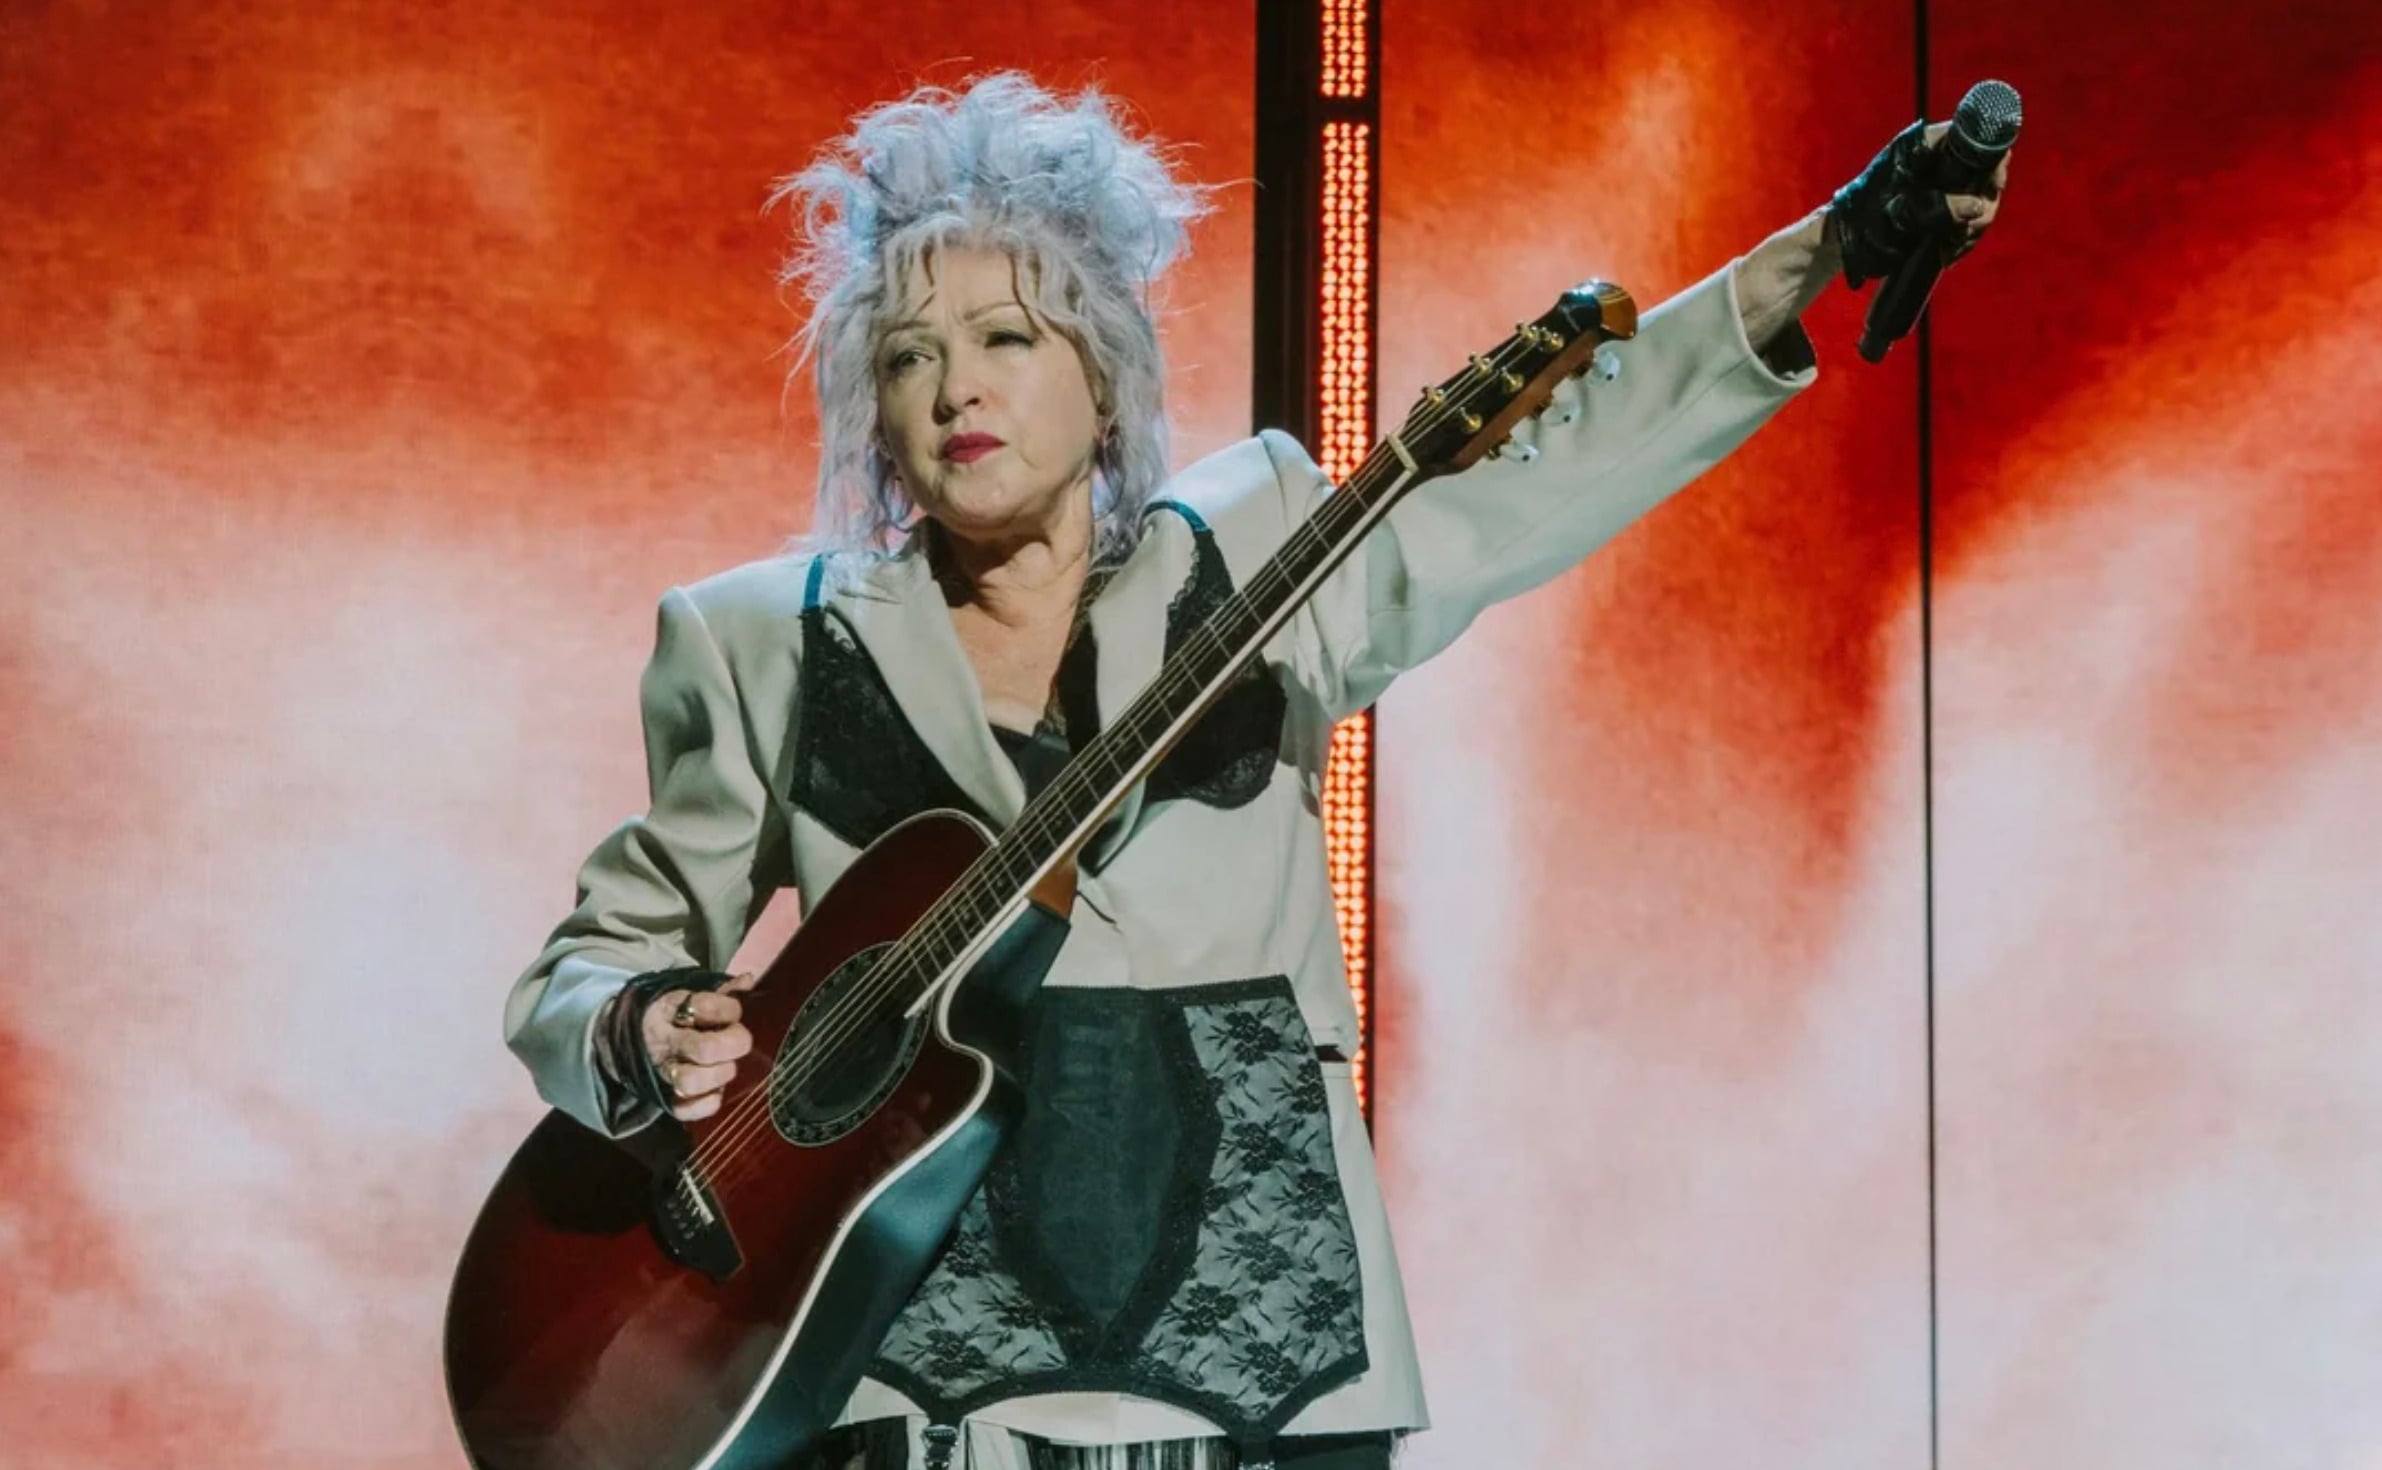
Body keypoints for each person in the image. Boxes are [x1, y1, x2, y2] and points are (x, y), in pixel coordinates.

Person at [503, 72, 2008, 1470]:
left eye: (1008, 337)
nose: (957, 385)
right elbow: (591, 966)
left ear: (1105, 382)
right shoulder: (759, 637)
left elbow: (1550, 478)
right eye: (910, 356)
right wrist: (634, 1027)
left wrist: (1819, 256)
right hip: (905, 1369)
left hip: (1260, 1343)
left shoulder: (1263, 545)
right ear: (878, 424)